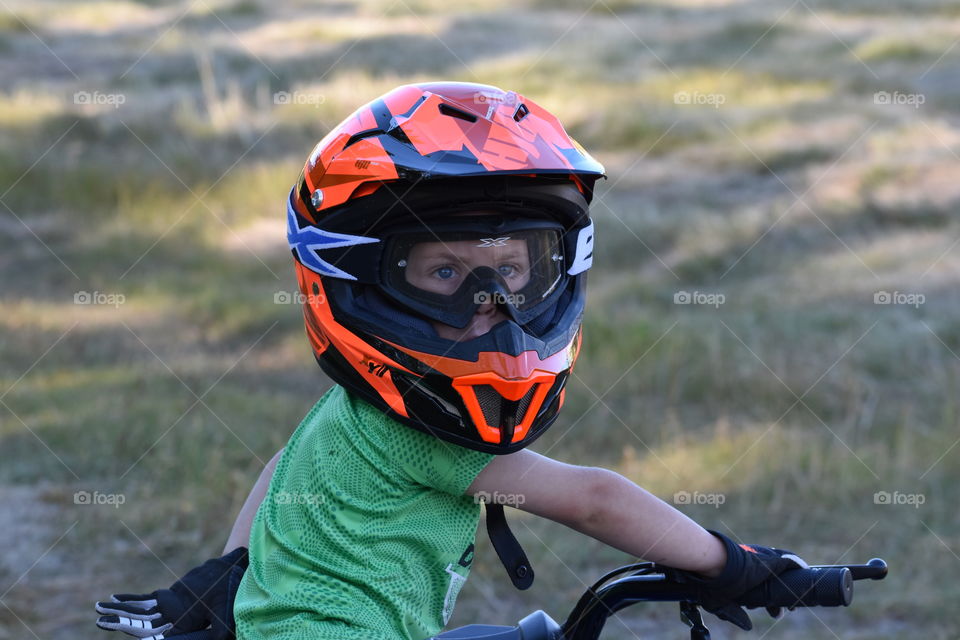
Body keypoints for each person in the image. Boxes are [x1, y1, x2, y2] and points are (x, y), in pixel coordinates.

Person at [94, 81, 807, 640]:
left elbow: (282, 466)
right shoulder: (427, 432)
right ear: (359, 282)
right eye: (444, 273)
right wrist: (735, 564)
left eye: (512, 269)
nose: (489, 302)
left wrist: (230, 572)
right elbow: (594, 500)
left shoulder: (360, 408)